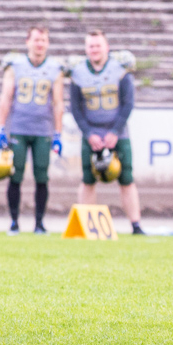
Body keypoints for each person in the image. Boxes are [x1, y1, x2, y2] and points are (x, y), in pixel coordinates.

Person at [64, 29, 143, 234]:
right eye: (91, 46)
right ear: (86, 49)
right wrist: (89, 133)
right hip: (91, 135)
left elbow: (128, 103)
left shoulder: (120, 68)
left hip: (118, 133)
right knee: (88, 179)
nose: (95, 50)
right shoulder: (78, 72)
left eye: (98, 45)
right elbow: (75, 108)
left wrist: (115, 131)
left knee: (126, 178)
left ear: (107, 47)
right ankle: (87, 226)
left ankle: (136, 225)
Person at [0, 25, 64, 235]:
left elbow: (58, 103)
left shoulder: (55, 68)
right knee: (15, 176)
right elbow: (6, 97)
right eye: (36, 40)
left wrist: (58, 133)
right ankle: (14, 222)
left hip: (43, 130)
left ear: (48, 43)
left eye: (43, 40)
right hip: (19, 129)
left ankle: (39, 224)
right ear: (28, 42)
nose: (39, 44)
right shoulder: (15, 65)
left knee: (42, 176)